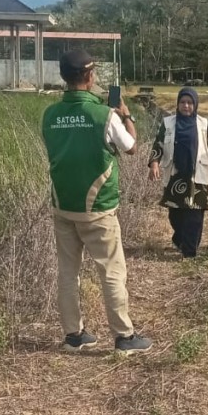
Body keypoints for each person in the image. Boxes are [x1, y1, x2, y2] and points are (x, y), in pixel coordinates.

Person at [40, 50, 152, 354]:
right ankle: (124, 337)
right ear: (90, 77)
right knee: (112, 272)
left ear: (63, 77)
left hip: (63, 205)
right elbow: (131, 147)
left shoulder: (49, 115)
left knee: (68, 271)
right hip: (98, 208)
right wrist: (125, 114)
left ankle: (73, 336)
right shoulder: (105, 115)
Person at [149, 87, 208, 257]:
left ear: (195, 105)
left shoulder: (203, 124)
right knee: (175, 216)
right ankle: (181, 240)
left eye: (189, 103)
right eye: (182, 102)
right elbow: (158, 145)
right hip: (175, 177)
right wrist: (154, 164)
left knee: (195, 216)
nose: (186, 106)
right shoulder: (168, 123)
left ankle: (189, 252)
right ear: (178, 104)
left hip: (197, 178)